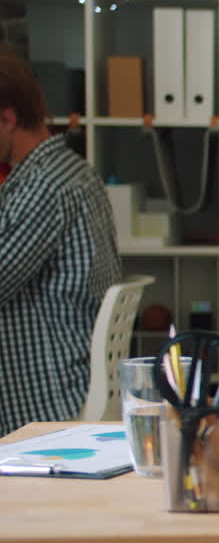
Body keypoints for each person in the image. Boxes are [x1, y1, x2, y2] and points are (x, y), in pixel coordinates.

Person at [0, 55, 122, 435]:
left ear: (7, 120)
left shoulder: (42, 187)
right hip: (71, 370)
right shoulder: (72, 171)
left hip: (49, 389)